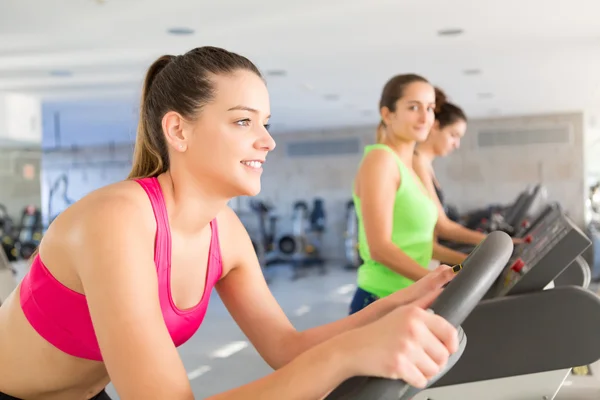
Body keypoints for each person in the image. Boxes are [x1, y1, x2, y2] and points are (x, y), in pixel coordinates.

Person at [0, 47, 460, 400]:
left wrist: (405, 300)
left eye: (266, 123)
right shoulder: (116, 221)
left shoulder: (226, 233)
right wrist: (344, 355)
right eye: (244, 122)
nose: (268, 141)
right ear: (178, 130)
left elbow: (286, 347)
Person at [348, 74, 469, 316]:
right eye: (414, 107)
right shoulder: (381, 160)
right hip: (380, 299)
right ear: (387, 114)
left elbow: (420, 246)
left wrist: (465, 266)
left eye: (430, 108)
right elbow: (379, 248)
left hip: (408, 299)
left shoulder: (408, 167)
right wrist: (439, 281)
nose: (425, 117)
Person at [413, 88, 523, 256]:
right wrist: (492, 243)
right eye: (453, 135)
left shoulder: (425, 164)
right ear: (435, 126)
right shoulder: (417, 162)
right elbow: (442, 226)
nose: (456, 144)